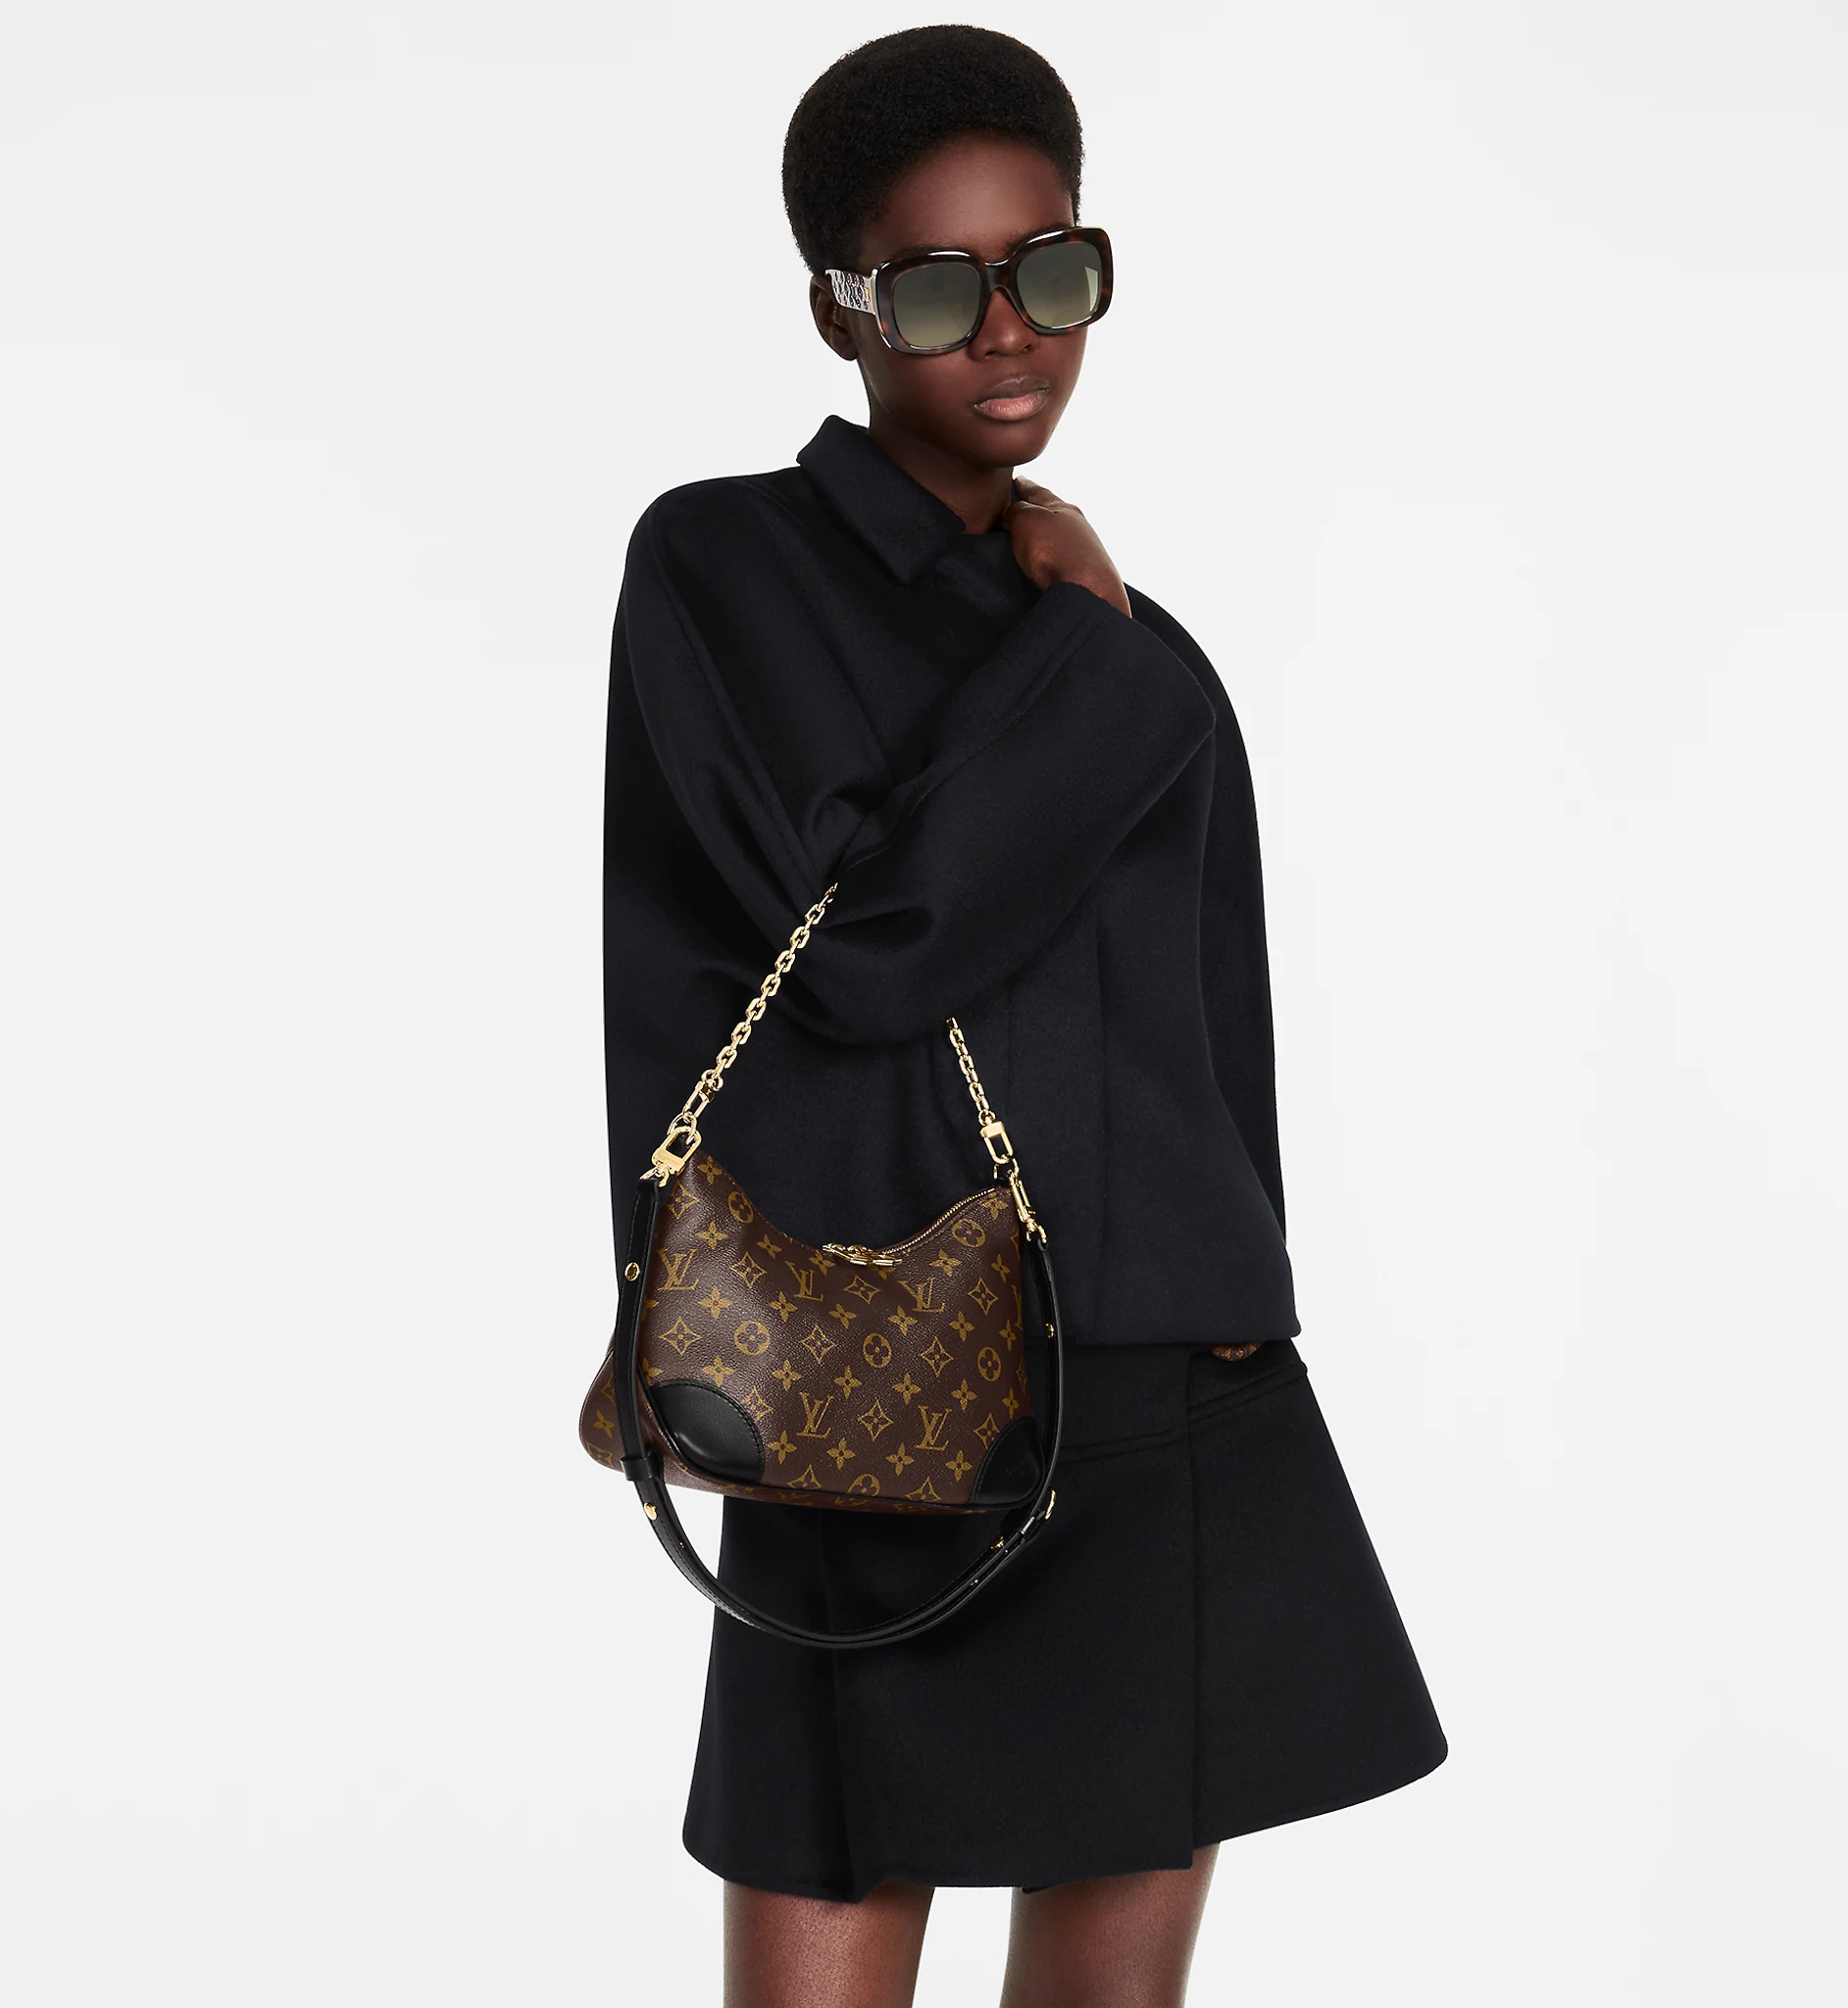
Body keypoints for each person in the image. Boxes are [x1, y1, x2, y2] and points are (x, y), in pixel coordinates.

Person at [598, 26, 1447, 2007]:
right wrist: (1080, 639)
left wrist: (1243, 1295)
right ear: (836, 304)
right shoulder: (729, 563)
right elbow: (873, 942)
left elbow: (1210, 1030)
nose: (1008, 333)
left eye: (1052, 271)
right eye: (936, 286)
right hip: (881, 1382)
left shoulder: (1140, 648)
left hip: (1169, 1389)